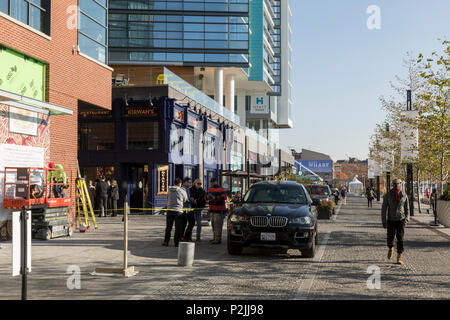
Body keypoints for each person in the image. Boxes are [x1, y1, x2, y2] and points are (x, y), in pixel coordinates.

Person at [381, 178, 410, 265]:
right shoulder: (387, 195)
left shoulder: (404, 195)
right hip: (391, 220)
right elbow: (384, 209)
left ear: (400, 184)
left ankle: (399, 256)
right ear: (392, 185)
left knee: (400, 238)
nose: (396, 185)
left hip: (401, 220)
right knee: (390, 238)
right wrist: (384, 221)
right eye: (395, 184)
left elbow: (407, 208)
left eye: (398, 184)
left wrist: (407, 219)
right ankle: (391, 248)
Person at [162, 178, 188, 247]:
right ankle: (176, 243)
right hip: (178, 211)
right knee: (177, 228)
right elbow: (185, 199)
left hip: (170, 210)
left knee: (168, 227)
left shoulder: (169, 190)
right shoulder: (182, 190)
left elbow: (167, 197)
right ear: (180, 183)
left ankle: (166, 241)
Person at [207, 177, 228, 244]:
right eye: (211, 182)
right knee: (213, 225)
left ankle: (218, 239)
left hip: (219, 211)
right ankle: (215, 238)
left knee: (218, 226)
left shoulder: (221, 189)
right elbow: (206, 196)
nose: (212, 183)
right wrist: (207, 197)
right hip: (212, 210)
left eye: (213, 182)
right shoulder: (209, 189)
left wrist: (215, 197)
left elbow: (224, 197)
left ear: (216, 182)